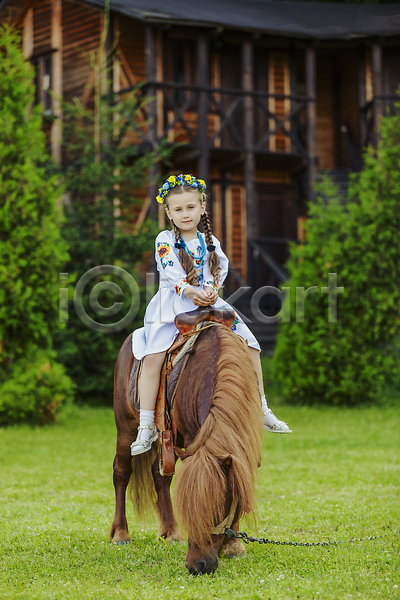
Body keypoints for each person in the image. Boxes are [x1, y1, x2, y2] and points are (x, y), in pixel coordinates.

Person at [131, 174, 291, 456]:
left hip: (209, 303)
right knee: (153, 354)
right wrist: (191, 291)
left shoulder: (209, 240)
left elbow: (219, 268)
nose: (185, 214)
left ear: (202, 208)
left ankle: (261, 407)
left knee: (251, 346)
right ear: (168, 213)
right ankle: (146, 425)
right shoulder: (165, 239)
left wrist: (213, 290)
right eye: (178, 209)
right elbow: (169, 269)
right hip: (173, 305)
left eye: (190, 207)